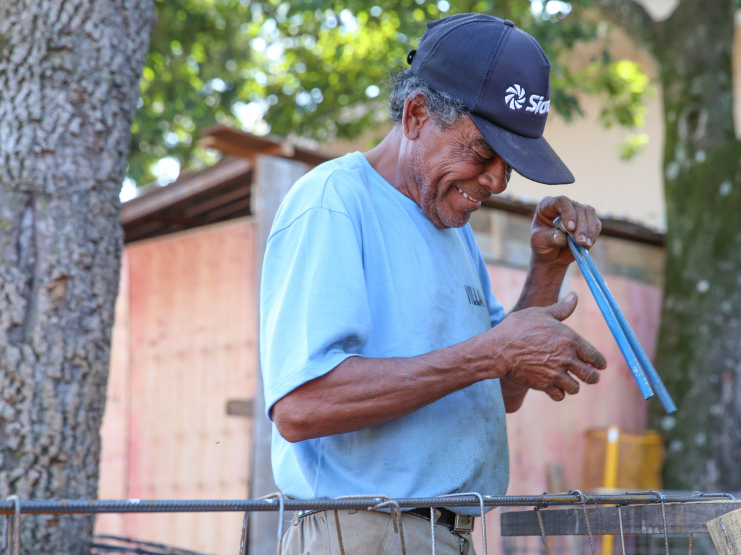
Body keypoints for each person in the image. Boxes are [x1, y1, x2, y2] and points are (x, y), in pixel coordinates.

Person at [259, 13, 607, 554]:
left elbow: (504, 391)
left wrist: (547, 267)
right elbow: (301, 407)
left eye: (508, 166)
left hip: (447, 536)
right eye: (481, 153)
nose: (495, 181)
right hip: (364, 534)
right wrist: (491, 354)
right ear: (418, 113)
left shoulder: (447, 221)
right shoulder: (333, 203)